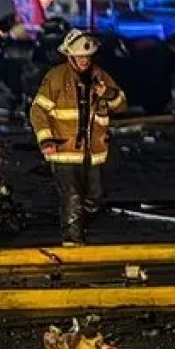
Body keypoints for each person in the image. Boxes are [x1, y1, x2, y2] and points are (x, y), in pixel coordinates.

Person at [29, 29, 127, 247]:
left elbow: (121, 104)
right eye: (80, 57)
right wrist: (45, 140)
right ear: (70, 56)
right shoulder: (56, 78)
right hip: (63, 152)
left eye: (87, 57)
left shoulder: (100, 77)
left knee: (95, 197)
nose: (84, 61)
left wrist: (108, 94)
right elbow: (38, 111)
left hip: (94, 153)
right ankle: (72, 242)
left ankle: (77, 227)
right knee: (71, 198)